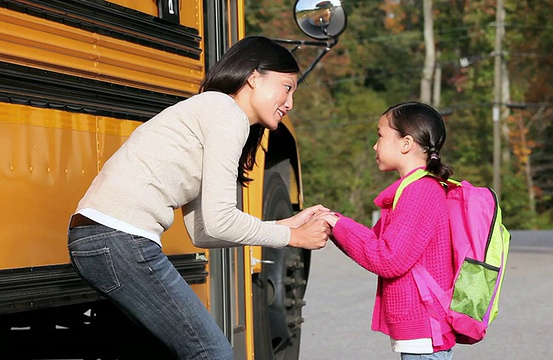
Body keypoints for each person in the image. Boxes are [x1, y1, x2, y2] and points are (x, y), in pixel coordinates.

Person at [67, 36, 331, 360]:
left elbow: (205, 230)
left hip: (102, 238)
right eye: (287, 87)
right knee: (211, 353)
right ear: (253, 77)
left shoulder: (211, 111)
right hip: (121, 238)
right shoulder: (226, 112)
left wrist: (281, 225)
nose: (290, 102)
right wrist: (291, 236)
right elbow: (221, 221)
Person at [320, 102, 456, 360]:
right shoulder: (412, 189)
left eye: (380, 136)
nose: (375, 145)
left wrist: (337, 225)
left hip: (425, 334)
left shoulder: (420, 192)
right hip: (421, 333)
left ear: (405, 144)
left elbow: (388, 258)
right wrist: (334, 222)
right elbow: (376, 242)